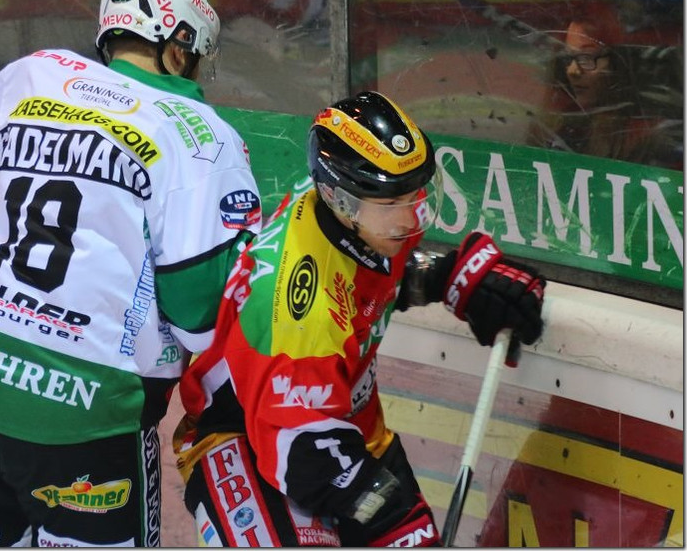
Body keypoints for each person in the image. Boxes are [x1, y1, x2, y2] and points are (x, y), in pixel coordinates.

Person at [0, 0, 262, 547]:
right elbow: (200, 314)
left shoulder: (38, 74)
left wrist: (4, 104)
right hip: (82, 414)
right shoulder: (203, 137)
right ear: (180, 46)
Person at [173, 91, 546, 547]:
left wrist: (445, 277)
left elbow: (364, 289)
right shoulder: (301, 307)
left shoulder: (360, 219)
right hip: (245, 439)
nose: (409, 217)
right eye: (392, 204)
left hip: (338, 424)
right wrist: (381, 506)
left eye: (414, 194)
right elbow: (298, 445)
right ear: (342, 200)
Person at [528, 3, 682, 169]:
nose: (573, 71)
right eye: (567, 58)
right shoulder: (561, 127)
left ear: (616, 63)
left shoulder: (649, 140)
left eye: (587, 57)